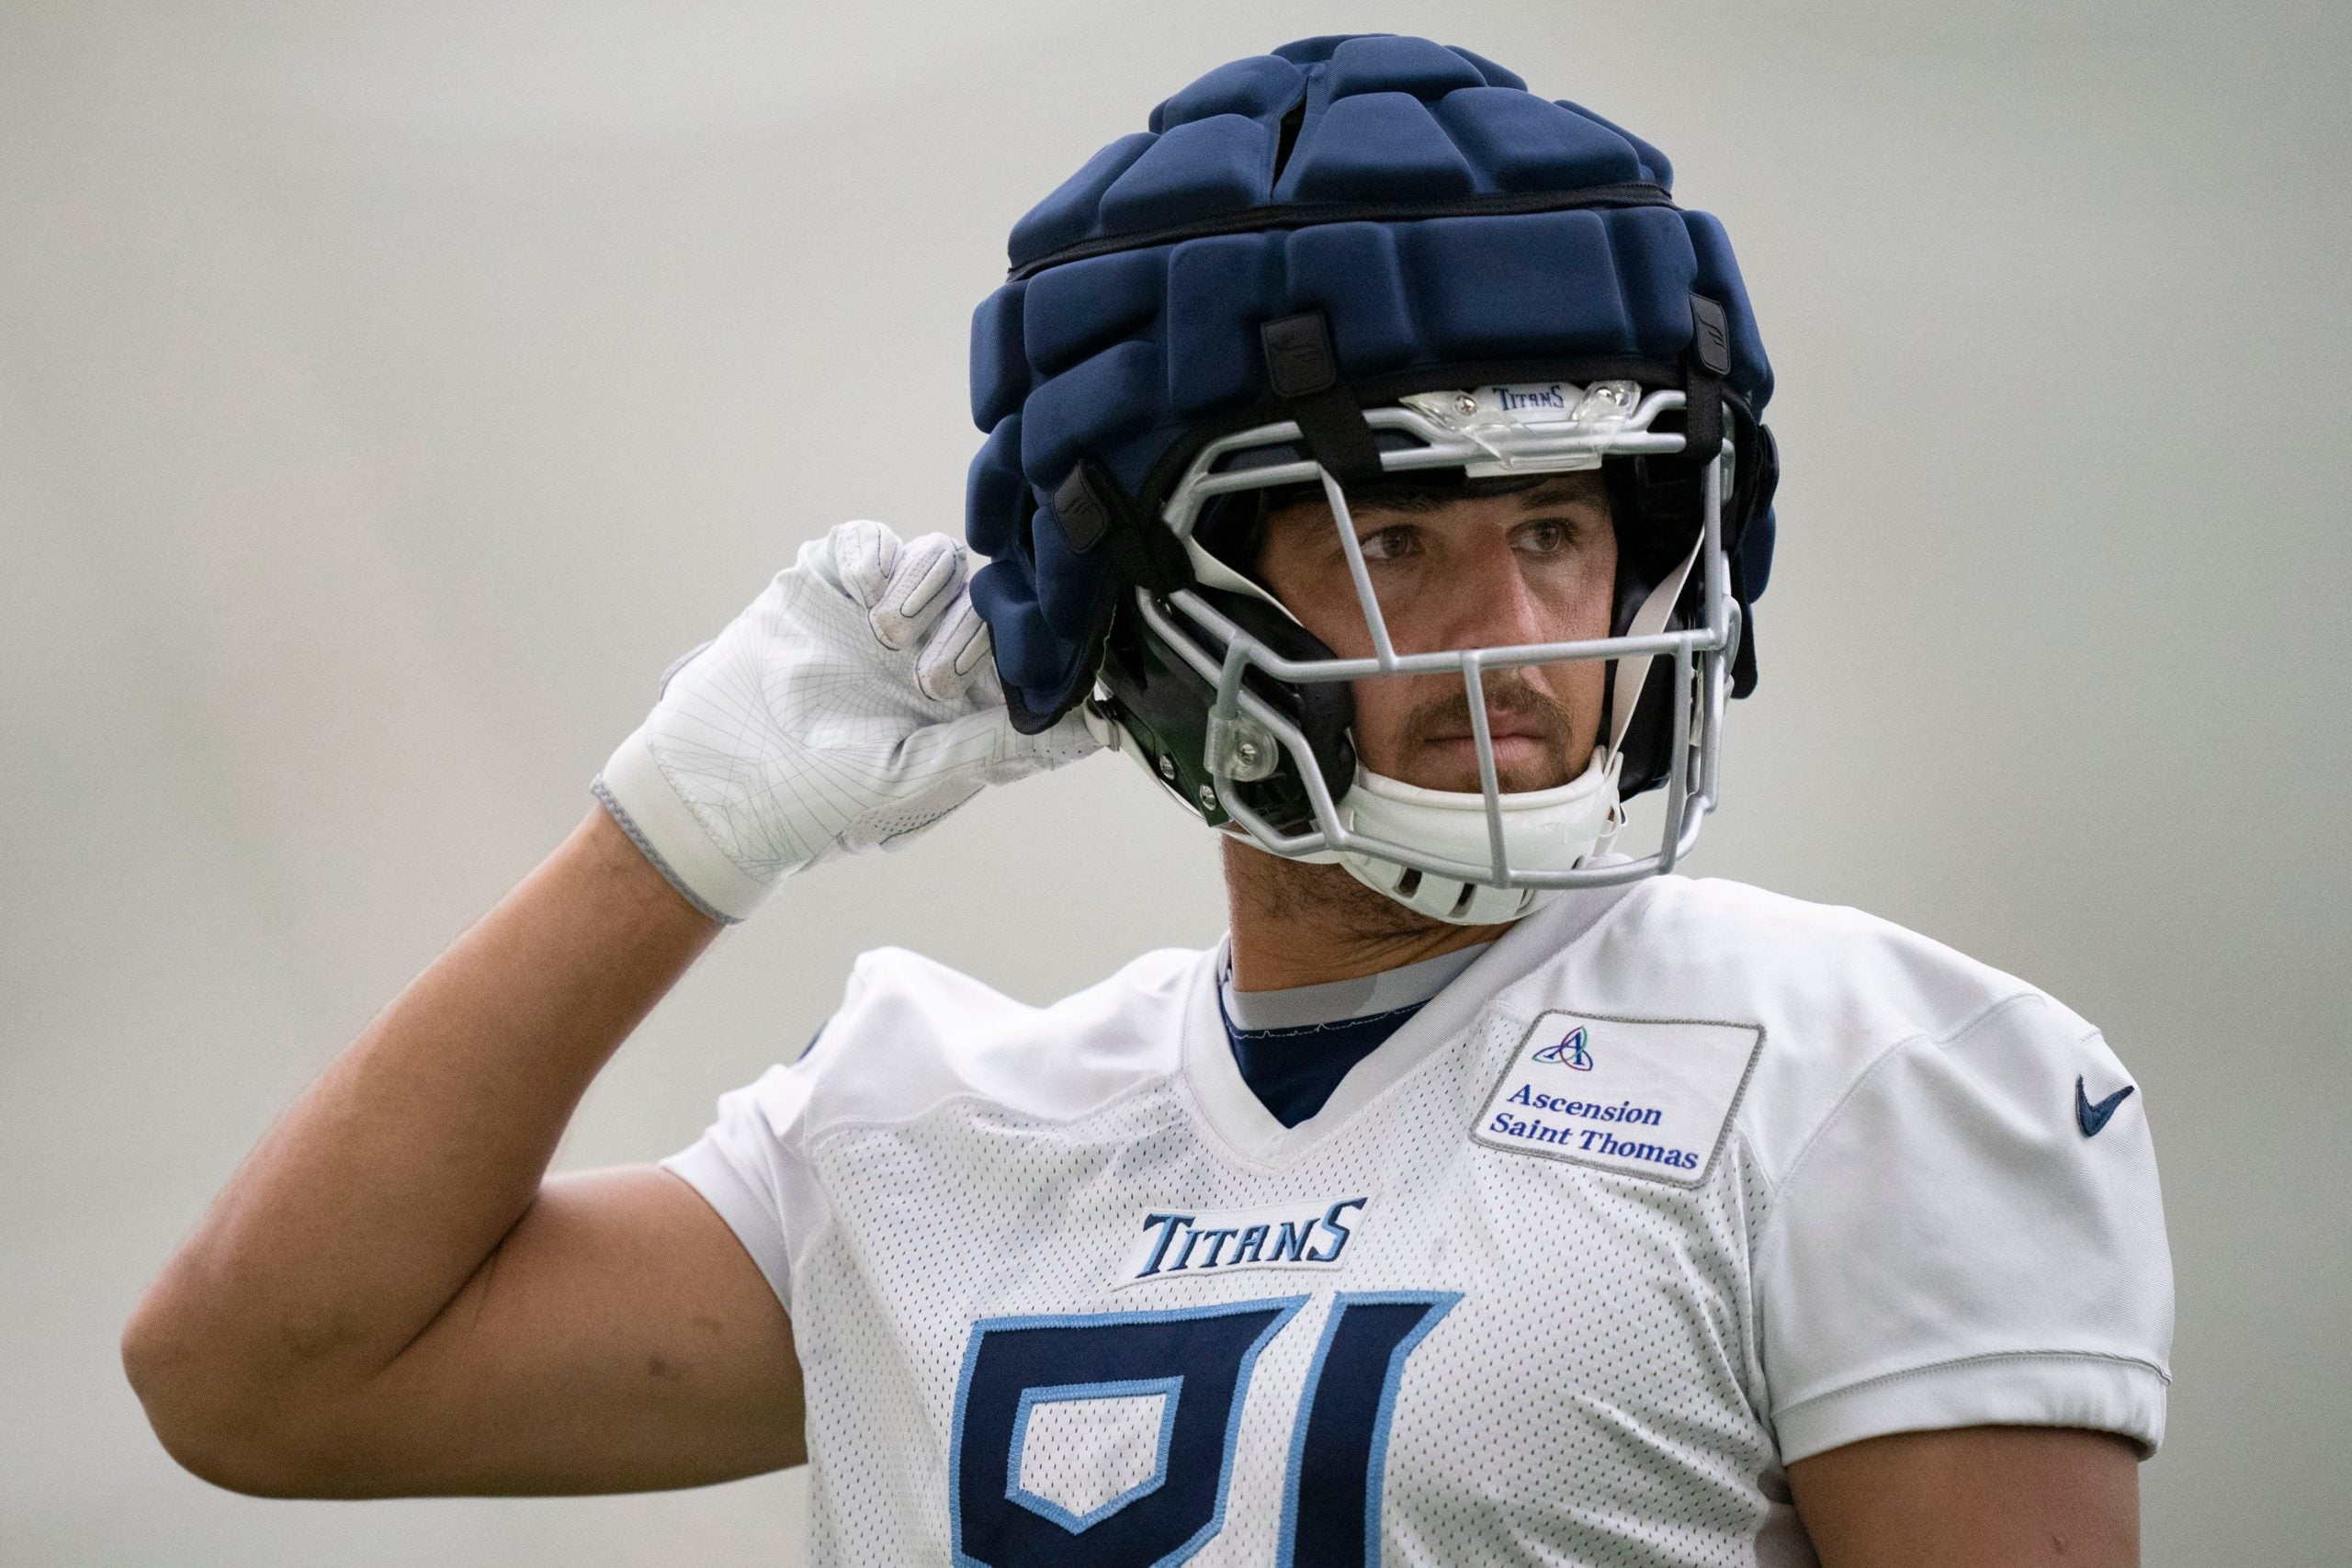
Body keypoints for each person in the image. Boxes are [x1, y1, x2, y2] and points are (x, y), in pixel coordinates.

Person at [121, 34, 2172, 1568]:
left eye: (1560, 524)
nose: (1520, 629)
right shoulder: (925, 1129)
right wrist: (675, 830)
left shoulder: (1871, 1070)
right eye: (1395, 537)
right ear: (1151, 588)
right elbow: (262, 1374)